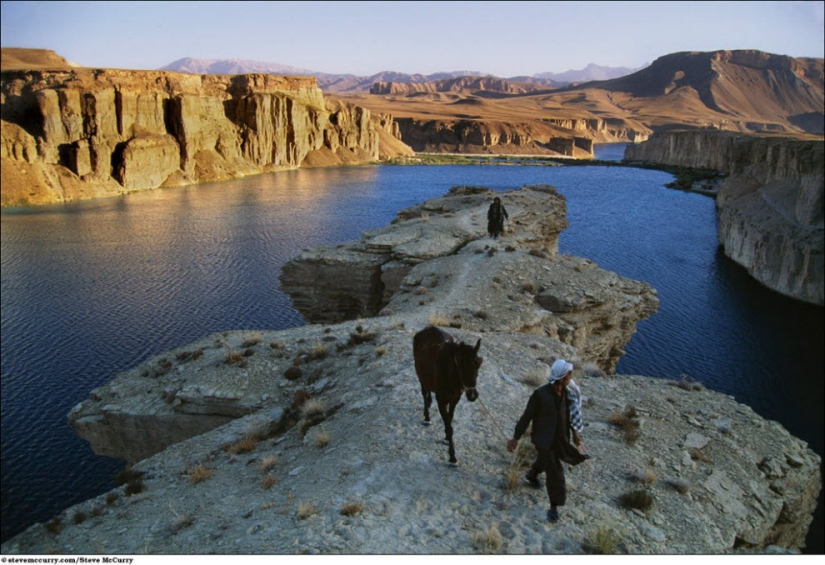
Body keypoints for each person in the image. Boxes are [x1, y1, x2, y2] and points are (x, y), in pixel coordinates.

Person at [507, 359, 589, 523]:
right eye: (569, 375)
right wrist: (515, 438)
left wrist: (576, 436)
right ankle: (554, 506)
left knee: (546, 461)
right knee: (555, 472)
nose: (571, 377)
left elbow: (570, 416)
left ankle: (532, 474)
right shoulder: (540, 395)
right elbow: (526, 417)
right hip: (543, 439)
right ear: (561, 378)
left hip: (561, 438)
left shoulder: (568, 392)